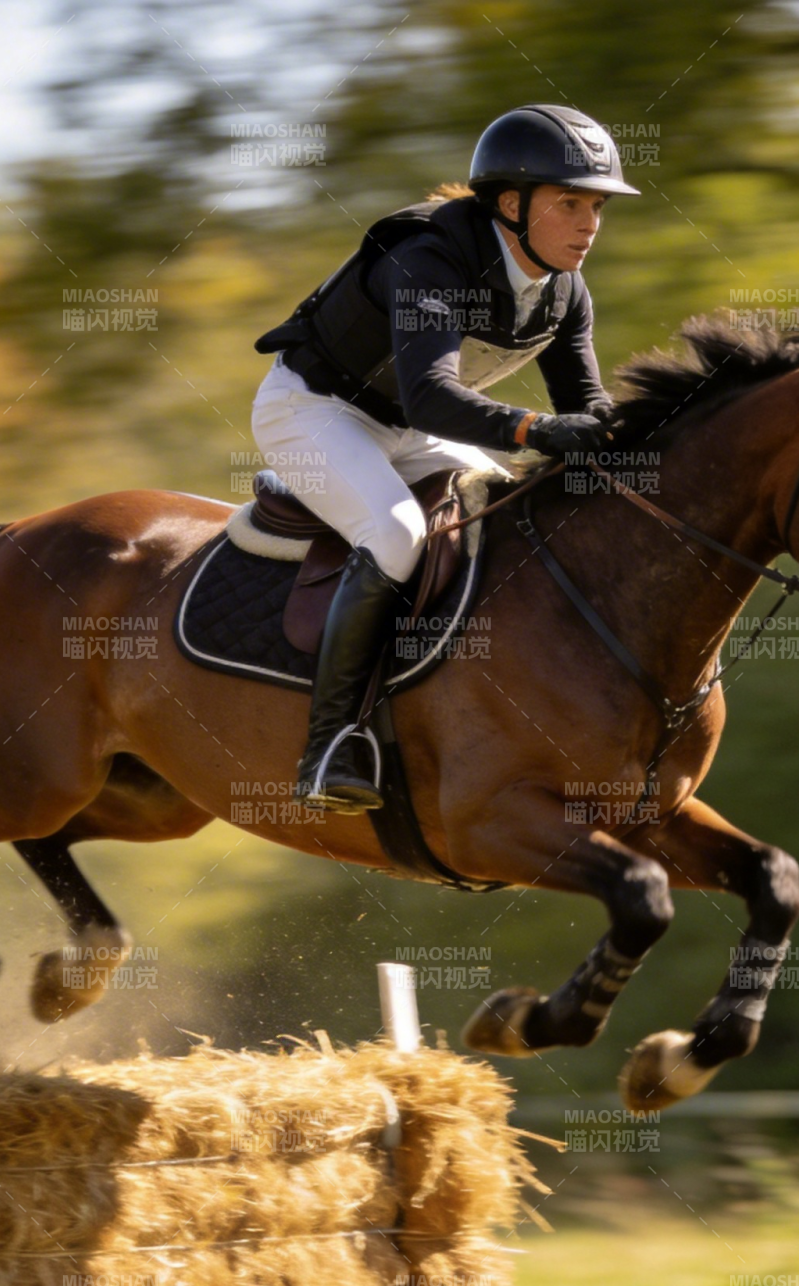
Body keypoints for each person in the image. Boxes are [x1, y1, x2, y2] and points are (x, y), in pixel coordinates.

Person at [251, 104, 639, 813]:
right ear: (513, 205)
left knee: (505, 516)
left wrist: (644, 441)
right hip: (314, 410)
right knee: (397, 533)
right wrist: (536, 429)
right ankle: (330, 744)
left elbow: (585, 400)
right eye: (571, 204)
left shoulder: (565, 291)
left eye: (597, 207)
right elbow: (432, 396)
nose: (590, 224)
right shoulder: (429, 255)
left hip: (402, 425)